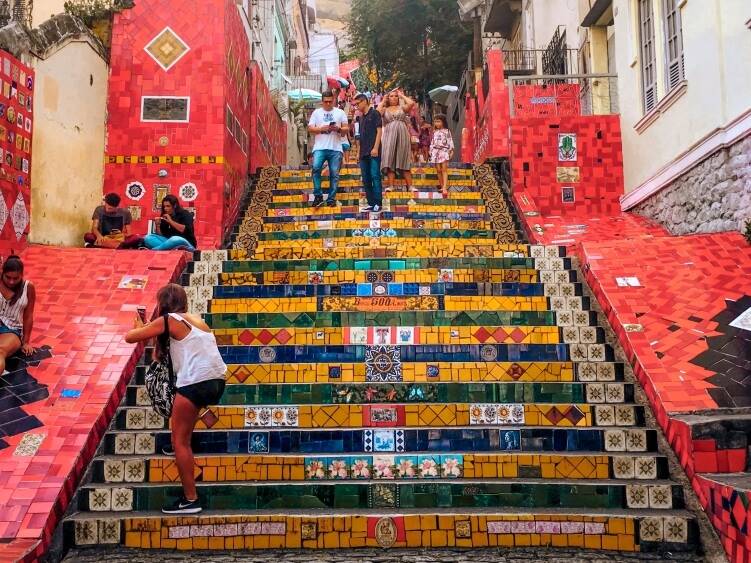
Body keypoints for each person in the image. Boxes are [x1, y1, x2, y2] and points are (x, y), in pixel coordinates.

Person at [125, 283, 226, 514]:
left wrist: (139, 325)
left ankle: (190, 500)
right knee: (182, 433)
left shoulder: (169, 319)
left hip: (195, 382)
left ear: (163, 303)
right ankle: (182, 444)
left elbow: (130, 338)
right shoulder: (198, 320)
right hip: (217, 381)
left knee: (179, 442)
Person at [307, 90, 349, 207]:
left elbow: (346, 129)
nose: (328, 104)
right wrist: (322, 128)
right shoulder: (316, 113)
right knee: (316, 168)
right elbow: (310, 128)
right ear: (322, 101)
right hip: (320, 147)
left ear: (334, 100)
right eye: (326, 102)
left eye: (330, 101)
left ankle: (331, 199)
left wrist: (339, 129)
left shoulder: (340, 113)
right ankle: (318, 196)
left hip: (336, 148)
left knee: (334, 174)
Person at [0, 255, 35, 374]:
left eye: (16, 278)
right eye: (8, 277)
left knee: (0, 351)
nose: (11, 281)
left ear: (22, 274)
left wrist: (26, 342)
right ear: (2, 272)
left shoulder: (28, 287)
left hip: (11, 329)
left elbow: (28, 315)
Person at [377, 89, 415, 192]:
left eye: (395, 96)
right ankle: (391, 186)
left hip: (402, 134)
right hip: (389, 135)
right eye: (391, 96)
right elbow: (377, 112)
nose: (394, 98)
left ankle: (410, 186)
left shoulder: (402, 107)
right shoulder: (385, 109)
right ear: (388, 98)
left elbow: (411, 103)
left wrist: (402, 95)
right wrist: (383, 100)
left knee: (404, 158)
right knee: (390, 159)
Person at [354, 92, 383, 213]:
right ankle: (371, 203)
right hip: (363, 153)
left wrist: (376, 148)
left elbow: (379, 131)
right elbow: (360, 137)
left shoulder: (375, 113)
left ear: (364, 101)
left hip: (373, 151)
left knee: (375, 176)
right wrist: (358, 152)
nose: (356, 106)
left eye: (358, 103)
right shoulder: (360, 118)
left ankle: (378, 203)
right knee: (366, 178)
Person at [430, 115, 455, 197]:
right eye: (435, 121)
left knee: (444, 169)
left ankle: (444, 187)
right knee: (438, 170)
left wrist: (451, 151)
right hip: (435, 152)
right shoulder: (434, 132)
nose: (436, 123)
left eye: (438, 121)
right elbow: (432, 142)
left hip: (444, 151)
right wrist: (430, 150)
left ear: (443, 122)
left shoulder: (447, 131)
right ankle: (441, 186)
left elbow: (450, 141)